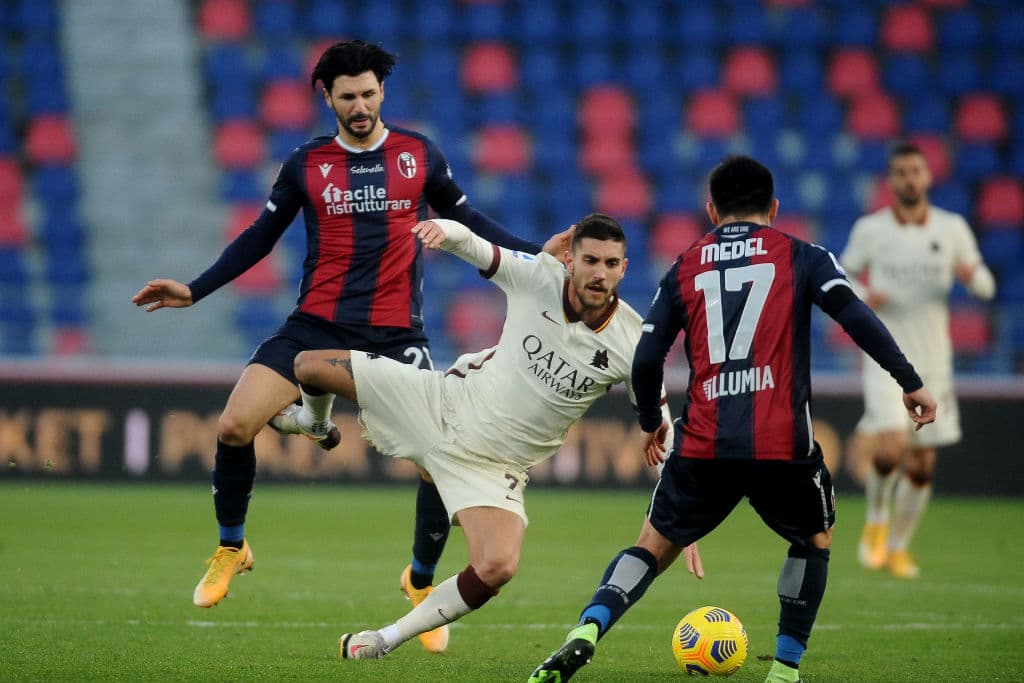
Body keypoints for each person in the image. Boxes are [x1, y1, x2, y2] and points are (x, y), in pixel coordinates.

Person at [131, 40, 556, 653]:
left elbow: (474, 220)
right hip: (315, 326)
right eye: (347, 96)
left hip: (395, 334)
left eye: (368, 94)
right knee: (233, 426)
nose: (360, 106)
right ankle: (232, 547)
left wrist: (541, 256)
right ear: (325, 97)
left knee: (441, 462)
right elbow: (259, 237)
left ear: (382, 93)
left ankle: (418, 579)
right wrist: (195, 291)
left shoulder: (418, 155)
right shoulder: (306, 164)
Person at [529, 156, 937, 683]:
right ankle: (785, 671)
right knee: (813, 540)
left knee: (651, 547)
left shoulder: (686, 265)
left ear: (710, 209)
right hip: (782, 444)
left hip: (703, 445)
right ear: (774, 207)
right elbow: (856, 317)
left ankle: (586, 630)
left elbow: (648, 358)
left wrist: (651, 417)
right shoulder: (804, 257)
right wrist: (909, 381)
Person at [288, 212, 682, 661]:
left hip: (495, 467)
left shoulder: (633, 344)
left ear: (625, 268)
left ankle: (384, 639)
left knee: (497, 566)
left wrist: (679, 518)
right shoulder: (538, 277)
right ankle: (315, 424)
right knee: (309, 366)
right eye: (590, 259)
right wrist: (443, 230)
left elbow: (663, 433)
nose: (600, 272)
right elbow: (473, 244)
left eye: (611, 263)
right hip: (441, 404)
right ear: (569, 259)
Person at [840, 141, 996, 579]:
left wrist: (971, 277)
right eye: (901, 172)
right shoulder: (871, 229)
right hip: (883, 354)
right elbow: (843, 275)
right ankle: (875, 519)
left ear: (927, 177)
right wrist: (868, 294)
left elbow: (985, 284)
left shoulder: (952, 229)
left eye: (916, 171)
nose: (909, 179)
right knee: (891, 445)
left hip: (934, 359)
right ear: (891, 181)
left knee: (923, 465)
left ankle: (898, 548)